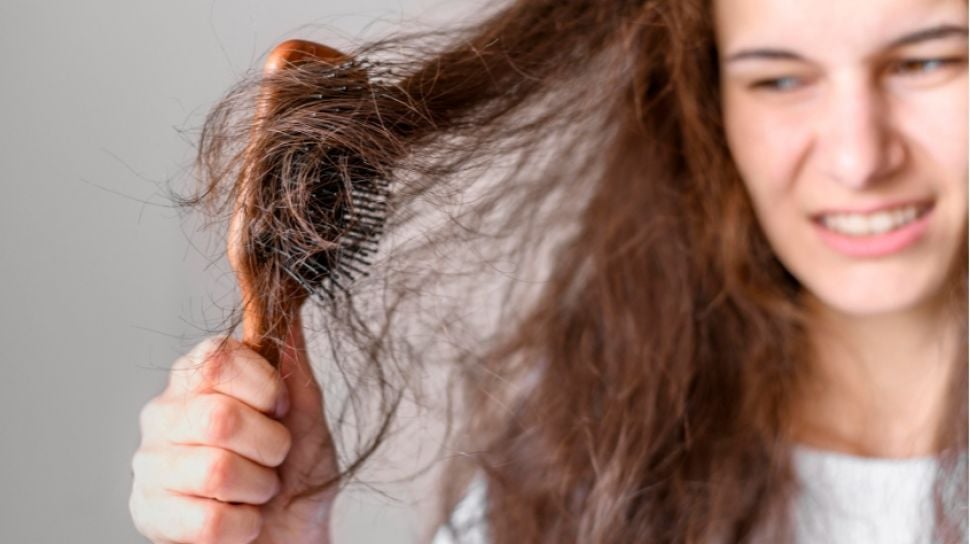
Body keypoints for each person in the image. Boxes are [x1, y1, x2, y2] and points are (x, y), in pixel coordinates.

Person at [129, 0, 968, 542]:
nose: (861, 158)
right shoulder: (581, 472)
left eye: (928, 60)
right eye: (780, 78)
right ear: (711, 109)